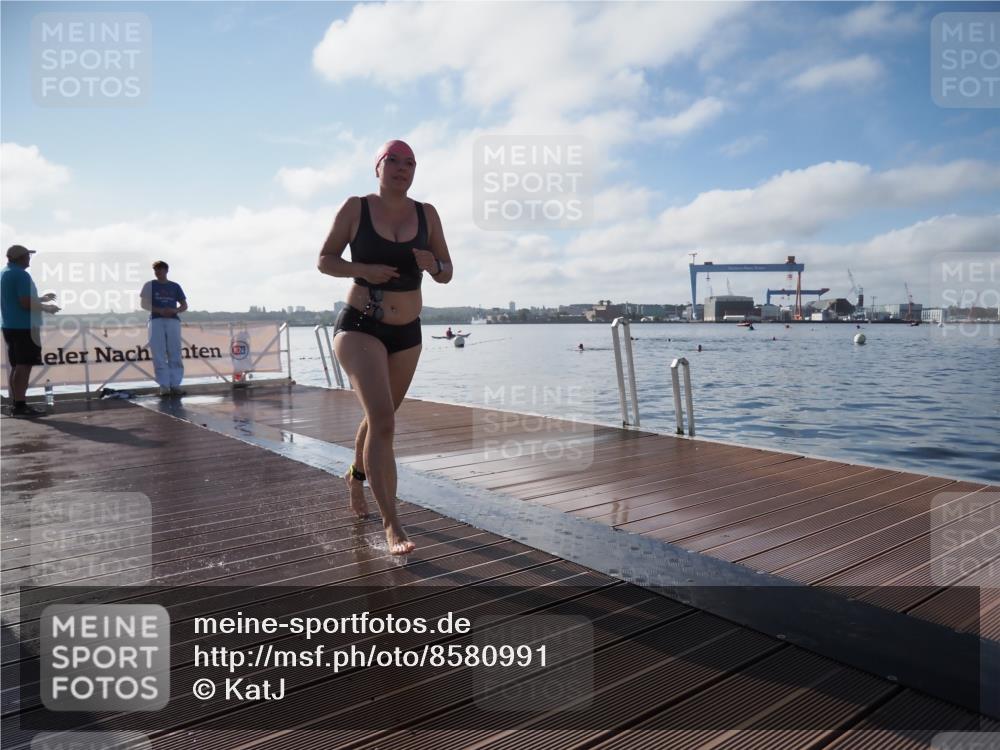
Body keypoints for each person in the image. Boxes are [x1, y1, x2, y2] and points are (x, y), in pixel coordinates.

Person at [318, 139, 453, 555]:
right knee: (384, 420)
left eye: (410, 162)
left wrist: (434, 266)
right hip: (360, 325)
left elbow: (447, 271)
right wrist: (363, 269)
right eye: (392, 160)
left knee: (381, 417)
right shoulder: (356, 208)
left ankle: (355, 478)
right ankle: (393, 525)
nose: (401, 167)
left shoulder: (426, 214)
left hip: (407, 331)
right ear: (377, 167)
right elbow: (325, 259)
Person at [1, 245, 59, 417]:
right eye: (27, 256)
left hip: (10, 325)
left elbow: (16, 298)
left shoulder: (4, 272)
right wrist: (46, 308)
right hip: (24, 327)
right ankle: (20, 406)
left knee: (17, 366)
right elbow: (25, 303)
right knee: (24, 366)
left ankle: (17, 404)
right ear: (21, 258)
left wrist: (40, 299)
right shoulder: (21, 275)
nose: (29, 259)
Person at [140, 261, 188, 396]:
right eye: (156, 270)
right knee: (158, 353)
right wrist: (159, 310)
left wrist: (175, 310)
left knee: (175, 352)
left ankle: (175, 385)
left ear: (166, 270)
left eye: (160, 270)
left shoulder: (175, 286)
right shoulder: (149, 285)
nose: (158, 272)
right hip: (156, 320)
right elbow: (144, 304)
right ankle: (164, 386)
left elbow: (184, 305)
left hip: (173, 320)